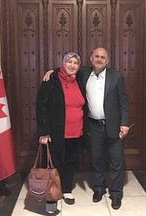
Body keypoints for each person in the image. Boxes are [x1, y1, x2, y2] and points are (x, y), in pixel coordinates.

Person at [44, 47, 130, 210]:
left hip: (114, 126)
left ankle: (116, 194)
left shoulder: (116, 76)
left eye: (102, 57)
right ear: (91, 58)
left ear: (107, 60)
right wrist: (52, 71)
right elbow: (67, 69)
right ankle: (99, 189)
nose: (99, 59)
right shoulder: (83, 74)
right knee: (96, 159)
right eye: (96, 56)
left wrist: (124, 123)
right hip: (93, 126)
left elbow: (123, 101)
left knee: (116, 161)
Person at [36, 52, 87, 213]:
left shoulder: (80, 80)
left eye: (75, 63)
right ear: (63, 63)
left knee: (70, 162)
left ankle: (66, 190)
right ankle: (51, 196)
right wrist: (44, 132)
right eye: (69, 62)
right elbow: (41, 106)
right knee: (54, 164)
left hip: (76, 131)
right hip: (56, 132)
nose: (72, 65)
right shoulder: (51, 80)